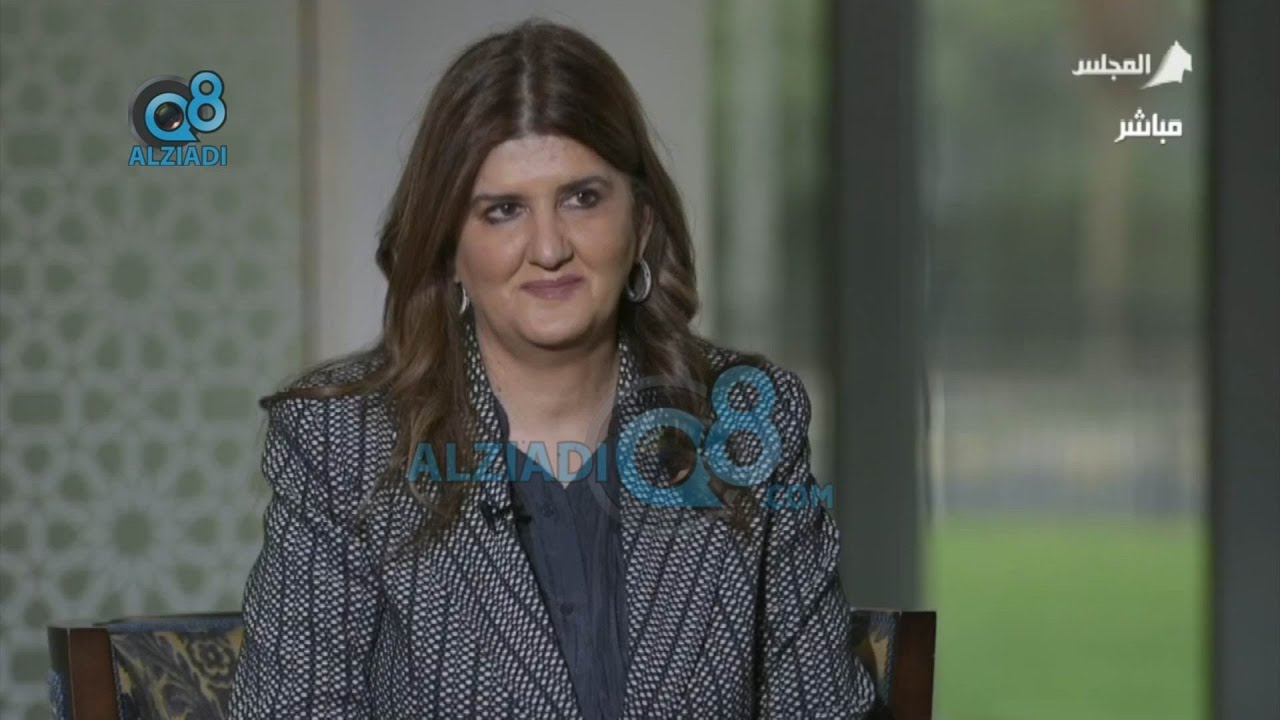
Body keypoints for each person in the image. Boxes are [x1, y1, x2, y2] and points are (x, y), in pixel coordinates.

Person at [228, 18, 876, 719]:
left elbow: (823, 708)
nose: (548, 248)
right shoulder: (342, 444)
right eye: (503, 210)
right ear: (449, 249)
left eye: (581, 198)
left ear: (642, 223)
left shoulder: (745, 423)